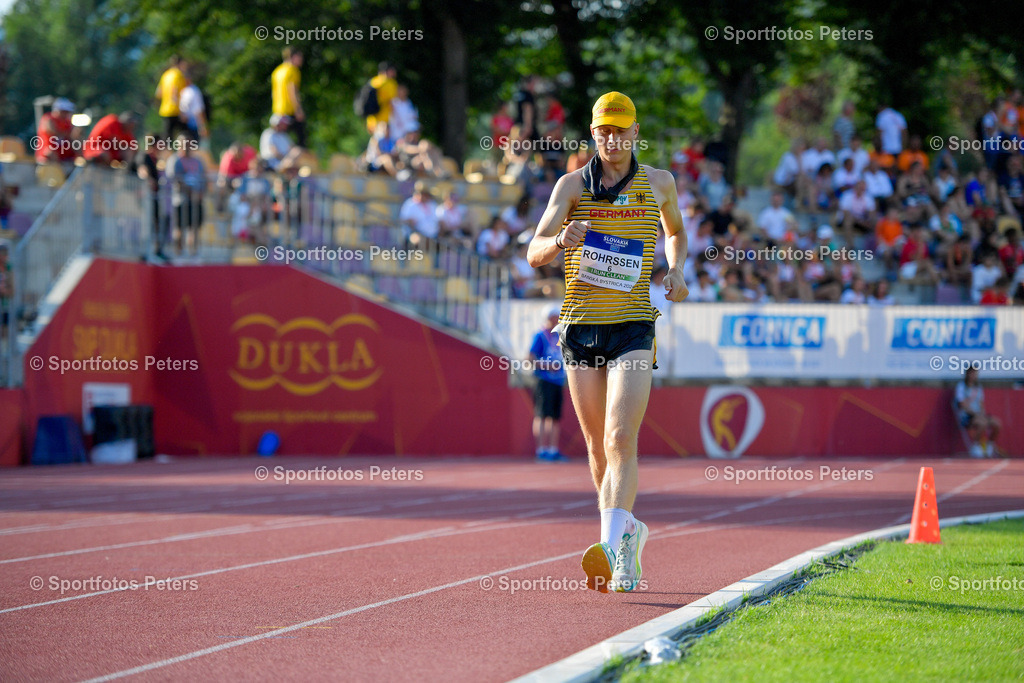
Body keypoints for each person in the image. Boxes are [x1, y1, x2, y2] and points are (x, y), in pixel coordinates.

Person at [527, 91, 688, 593]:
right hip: (579, 329)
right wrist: (559, 242)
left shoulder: (659, 182)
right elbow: (534, 252)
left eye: (622, 130)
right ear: (593, 134)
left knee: (620, 438)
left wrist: (678, 270)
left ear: (635, 133)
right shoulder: (570, 185)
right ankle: (629, 532)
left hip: (633, 325)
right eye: (604, 131)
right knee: (597, 447)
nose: (613, 139)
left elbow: (676, 232)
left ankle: (614, 553)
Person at [529, 306, 568, 462]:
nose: (558, 319)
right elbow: (530, 358)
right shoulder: (540, 335)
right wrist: (548, 366)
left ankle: (553, 449)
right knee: (542, 415)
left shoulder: (559, 336)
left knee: (555, 416)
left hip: (558, 380)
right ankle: (541, 450)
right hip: (544, 380)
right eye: (555, 316)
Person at [954, 366, 1001, 457]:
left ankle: (989, 446)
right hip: (967, 416)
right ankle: (976, 446)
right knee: (982, 424)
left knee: (997, 423)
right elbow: (962, 404)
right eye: (971, 373)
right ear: (967, 374)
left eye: (975, 373)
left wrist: (982, 414)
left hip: (979, 415)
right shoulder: (961, 387)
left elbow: (981, 404)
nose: (973, 375)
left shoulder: (978, 387)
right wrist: (975, 414)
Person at [271, 49, 306, 147]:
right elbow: (292, 91)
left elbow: (274, 93)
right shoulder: (293, 70)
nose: (301, 60)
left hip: (278, 111)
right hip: (290, 110)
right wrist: (298, 109)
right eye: (299, 57)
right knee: (301, 139)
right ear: (293, 57)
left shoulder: (277, 71)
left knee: (281, 139)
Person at [35, 98, 79, 166]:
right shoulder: (48, 118)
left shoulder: (67, 122)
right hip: (47, 152)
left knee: (78, 150)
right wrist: (67, 133)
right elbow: (51, 130)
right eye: (64, 111)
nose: (66, 114)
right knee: (51, 153)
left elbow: (73, 136)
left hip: (63, 152)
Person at [154, 55, 188, 142]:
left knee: (168, 137)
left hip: (165, 110)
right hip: (175, 110)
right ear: (180, 63)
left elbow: (158, 93)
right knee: (187, 135)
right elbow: (175, 92)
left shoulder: (165, 75)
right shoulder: (179, 74)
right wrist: (181, 111)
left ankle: (164, 154)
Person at [366, 62, 398, 134]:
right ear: (388, 71)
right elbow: (391, 102)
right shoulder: (390, 83)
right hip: (384, 119)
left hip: (371, 117)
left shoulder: (373, 81)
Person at [178, 68, 208, 144]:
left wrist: (202, 126)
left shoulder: (194, 91)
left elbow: (198, 110)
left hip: (193, 125)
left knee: (193, 146)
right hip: (184, 124)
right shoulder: (183, 91)